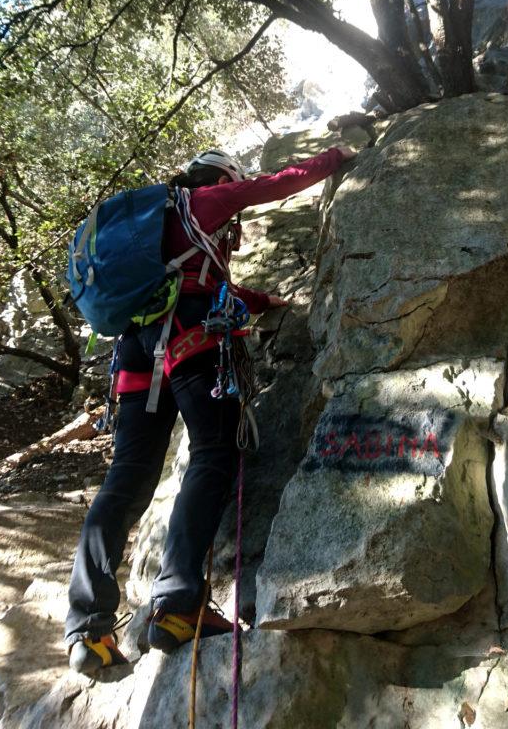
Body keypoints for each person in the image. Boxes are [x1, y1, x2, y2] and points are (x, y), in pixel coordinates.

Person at [66, 144, 354, 675]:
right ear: (220, 177)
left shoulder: (161, 229)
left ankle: (88, 629)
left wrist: (262, 300)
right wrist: (334, 157)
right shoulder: (202, 202)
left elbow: (210, 284)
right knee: (215, 452)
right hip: (190, 341)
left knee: (126, 479)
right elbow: (273, 184)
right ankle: (177, 607)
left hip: (134, 356)